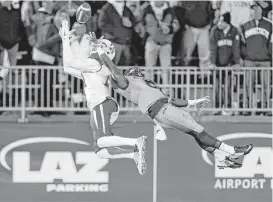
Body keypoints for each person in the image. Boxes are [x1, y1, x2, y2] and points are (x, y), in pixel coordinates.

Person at [100, 55, 254, 168]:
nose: (140, 75)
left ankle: (220, 157)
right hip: (161, 110)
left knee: (195, 133)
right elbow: (115, 73)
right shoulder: (129, 83)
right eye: (138, 74)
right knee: (198, 130)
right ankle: (231, 150)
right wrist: (102, 55)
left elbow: (171, 99)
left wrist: (193, 102)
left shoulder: (146, 86)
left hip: (166, 107)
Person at [59, 19, 147, 175]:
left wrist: (66, 39)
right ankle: (132, 154)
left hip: (102, 103)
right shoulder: (94, 66)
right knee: (100, 150)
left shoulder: (95, 63)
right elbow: (66, 67)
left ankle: (136, 142)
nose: (93, 45)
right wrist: (64, 40)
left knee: (101, 140)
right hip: (103, 105)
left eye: (97, 45)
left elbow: (70, 61)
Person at [210, 12, 241, 115]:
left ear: (227, 22)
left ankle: (227, 107)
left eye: (222, 21)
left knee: (228, 87)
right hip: (217, 65)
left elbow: (236, 48)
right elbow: (213, 48)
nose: (219, 23)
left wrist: (236, 63)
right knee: (217, 87)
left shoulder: (234, 31)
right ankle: (217, 107)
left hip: (229, 65)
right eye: (219, 21)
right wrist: (213, 63)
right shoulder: (215, 31)